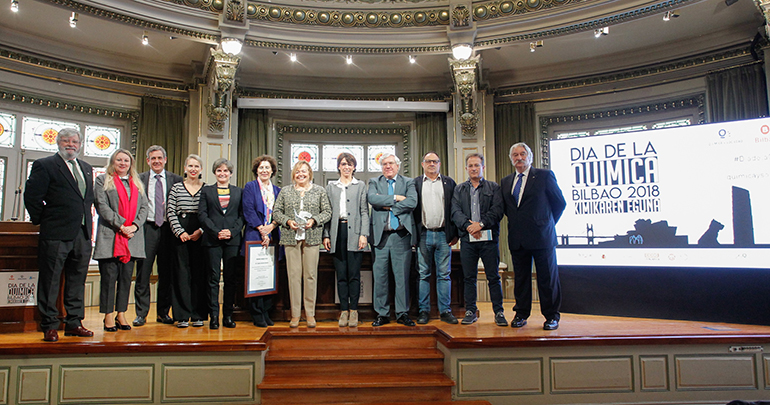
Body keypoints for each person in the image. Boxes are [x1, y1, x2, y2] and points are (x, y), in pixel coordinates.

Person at [24, 128, 95, 342]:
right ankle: (49, 325)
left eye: (74, 141)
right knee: (51, 280)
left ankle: (74, 322)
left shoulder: (86, 168)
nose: (70, 144)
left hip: (82, 234)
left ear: (80, 145)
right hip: (55, 233)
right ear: (58, 143)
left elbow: (86, 201)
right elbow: (32, 197)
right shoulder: (45, 165)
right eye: (65, 140)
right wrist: (45, 220)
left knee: (77, 281)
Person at [501, 142, 566, 331]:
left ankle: (551, 316)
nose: (519, 158)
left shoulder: (544, 176)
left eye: (522, 154)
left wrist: (546, 223)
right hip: (518, 239)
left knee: (547, 278)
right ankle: (521, 314)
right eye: (515, 155)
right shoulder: (506, 181)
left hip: (542, 237)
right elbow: (509, 209)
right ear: (511, 158)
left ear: (530, 156)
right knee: (521, 279)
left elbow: (559, 203)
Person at [93, 149, 149, 332]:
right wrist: (121, 225)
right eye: (119, 160)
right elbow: (102, 206)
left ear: (131, 163)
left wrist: (134, 226)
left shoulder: (138, 183)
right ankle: (108, 315)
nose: (123, 163)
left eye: (126, 160)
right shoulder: (103, 180)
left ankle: (121, 313)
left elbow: (144, 208)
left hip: (132, 237)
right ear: (113, 162)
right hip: (111, 236)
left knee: (126, 279)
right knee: (109, 279)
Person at [273, 161, 331, 328]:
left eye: (304, 171)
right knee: (293, 277)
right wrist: (288, 221)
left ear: (310, 173)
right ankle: (295, 315)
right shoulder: (285, 191)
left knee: (310, 276)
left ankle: (310, 314)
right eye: (297, 172)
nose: (301, 174)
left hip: (312, 238)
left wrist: (314, 220)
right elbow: (276, 212)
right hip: (291, 238)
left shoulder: (319, 191)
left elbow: (327, 212)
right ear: (293, 174)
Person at [450, 153, 506, 327]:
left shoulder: (494, 187)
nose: (474, 168)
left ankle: (499, 312)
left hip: (489, 240)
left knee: (493, 277)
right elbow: (455, 212)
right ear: (466, 168)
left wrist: (480, 224)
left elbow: (497, 211)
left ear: (483, 167)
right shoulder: (459, 189)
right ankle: (470, 311)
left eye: (477, 165)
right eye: (470, 166)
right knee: (469, 277)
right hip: (468, 240)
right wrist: (468, 226)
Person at [133, 145, 183, 326]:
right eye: (153, 158)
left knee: (167, 273)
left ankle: (163, 312)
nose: (156, 161)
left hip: (169, 230)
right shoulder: (139, 179)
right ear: (147, 161)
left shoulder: (176, 180)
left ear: (165, 160)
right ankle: (141, 314)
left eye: (159, 158)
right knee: (143, 273)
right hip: (146, 229)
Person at [368, 153, 418, 327]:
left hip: (401, 236)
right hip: (380, 237)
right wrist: (396, 198)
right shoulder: (375, 182)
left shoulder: (409, 182)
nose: (387, 166)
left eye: (390, 163)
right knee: (380, 277)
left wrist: (386, 205)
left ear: (397, 166)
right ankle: (382, 314)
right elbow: (373, 199)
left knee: (402, 277)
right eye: (384, 164)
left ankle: (402, 313)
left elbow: (412, 202)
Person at [323, 153, 369, 327]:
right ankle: (343, 311)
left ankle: (354, 311)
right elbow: (327, 213)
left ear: (354, 167)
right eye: (343, 164)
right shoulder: (331, 187)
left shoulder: (360, 186)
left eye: (350, 164)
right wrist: (326, 235)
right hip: (337, 233)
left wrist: (363, 234)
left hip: (355, 233)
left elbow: (365, 211)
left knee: (354, 275)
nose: (346, 167)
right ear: (339, 167)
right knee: (340, 274)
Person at [413, 152, 458, 325]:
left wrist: (455, 234)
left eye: (435, 161)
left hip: (443, 235)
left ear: (439, 164)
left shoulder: (449, 183)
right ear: (422, 164)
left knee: (444, 275)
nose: (432, 164)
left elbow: (455, 210)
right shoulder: (415, 183)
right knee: (423, 274)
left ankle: (445, 311)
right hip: (423, 235)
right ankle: (423, 311)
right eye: (428, 161)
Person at [199, 158, 244, 329]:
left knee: (231, 280)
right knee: (213, 279)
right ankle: (214, 317)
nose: (222, 173)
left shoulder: (239, 192)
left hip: (233, 240)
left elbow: (242, 216)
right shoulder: (207, 191)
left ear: (231, 173)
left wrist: (231, 232)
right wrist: (216, 231)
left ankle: (228, 316)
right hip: (212, 240)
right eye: (219, 170)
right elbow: (202, 215)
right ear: (215, 173)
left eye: (226, 171)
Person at [167, 154, 207, 328]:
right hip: (180, 232)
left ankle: (197, 314)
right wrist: (179, 232)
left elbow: (210, 213)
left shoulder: (206, 189)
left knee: (199, 274)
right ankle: (182, 315)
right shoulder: (176, 188)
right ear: (185, 168)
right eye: (190, 166)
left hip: (201, 230)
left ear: (201, 170)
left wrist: (201, 230)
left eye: (196, 166)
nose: (193, 169)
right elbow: (170, 212)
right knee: (181, 274)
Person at [241, 155, 281, 327]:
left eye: (267, 168)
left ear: (272, 171)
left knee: (269, 276)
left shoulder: (278, 190)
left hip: (273, 235)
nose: (264, 170)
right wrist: (261, 229)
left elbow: (280, 212)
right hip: (254, 236)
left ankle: (266, 311)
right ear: (256, 170)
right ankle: (256, 313)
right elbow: (248, 210)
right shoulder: (250, 187)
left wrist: (271, 227)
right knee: (255, 275)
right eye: (261, 168)